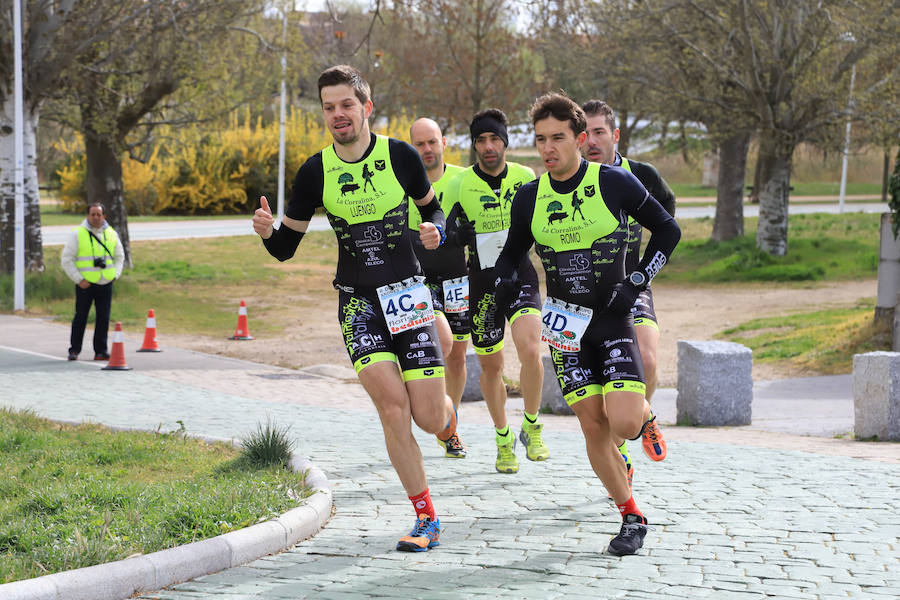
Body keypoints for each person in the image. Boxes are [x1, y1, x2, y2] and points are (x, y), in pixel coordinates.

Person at [253, 65, 457, 552]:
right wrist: (266, 233)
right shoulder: (314, 172)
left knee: (427, 418)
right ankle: (425, 518)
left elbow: (432, 209)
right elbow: (285, 248)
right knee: (393, 409)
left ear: (366, 107)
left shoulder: (400, 156)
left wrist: (437, 230)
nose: (338, 115)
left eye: (346, 104)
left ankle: (448, 416)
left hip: (406, 292)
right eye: (328, 107)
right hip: (358, 302)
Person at [493, 93, 680, 555]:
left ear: (579, 139)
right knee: (592, 427)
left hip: (614, 319)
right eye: (540, 140)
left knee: (625, 420)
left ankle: (644, 416)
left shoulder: (613, 183)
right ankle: (630, 515)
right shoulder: (529, 197)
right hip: (566, 327)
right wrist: (499, 285)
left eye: (557, 138)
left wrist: (636, 282)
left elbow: (669, 230)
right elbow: (512, 255)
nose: (548, 148)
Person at [443, 108, 546, 474]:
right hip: (482, 282)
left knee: (531, 348)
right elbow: (445, 230)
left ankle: (531, 426)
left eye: (494, 139)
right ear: (474, 146)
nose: (488, 147)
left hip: (519, 275)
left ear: (505, 142)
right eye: (481, 141)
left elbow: (541, 220)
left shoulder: (525, 176)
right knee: (492, 367)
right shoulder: (460, 183)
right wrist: (456, 235)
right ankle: (503, 438)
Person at [581, 100, 676, 481]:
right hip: (585, 299)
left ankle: (641, 414)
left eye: (599, 132)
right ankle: (624, 441)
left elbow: (667, 223)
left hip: (631, 285)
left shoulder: (641, 175)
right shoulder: (569, 180)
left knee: (649, 362)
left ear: (615, 135)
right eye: (584, 133)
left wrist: (642, 273)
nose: (591, 141)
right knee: (599, 394)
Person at [408, 117, 469, 458]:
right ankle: (436, 412)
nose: (427, 150)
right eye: (420, 144)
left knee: (458, 355)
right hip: (420, 281)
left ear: (444, 142)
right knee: (437, 347)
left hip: (458, 277)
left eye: (432, 142)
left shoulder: (463, 178)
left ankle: (449, 426)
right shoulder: (404, 182)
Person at [61, 202, 125, 361]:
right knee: (80, 317)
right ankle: (74, 350)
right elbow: (66, 260)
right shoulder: (78, 234)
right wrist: (78, 279)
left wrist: (115, 275)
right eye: (93, 214)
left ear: (104, 216)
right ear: (87, 216)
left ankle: (101, 350)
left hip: (106, 282)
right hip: (86, 284)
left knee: (103, 318)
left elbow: (120, 257)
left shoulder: (111, 234)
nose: (96, 217)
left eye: (99, 214)